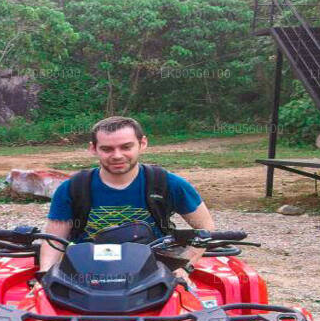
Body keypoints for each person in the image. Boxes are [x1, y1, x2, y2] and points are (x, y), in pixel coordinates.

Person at [39, 116, 215, 276]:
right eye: (107, 149)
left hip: (154, 271)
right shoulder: (73, 188)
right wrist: (45, 275)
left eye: (126, 147)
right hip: (87, 272)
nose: (117, 156)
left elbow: (205, 229)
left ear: (142, 143)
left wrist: (184, 267)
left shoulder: (168, 184)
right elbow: (55, 241)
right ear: (93, 149)